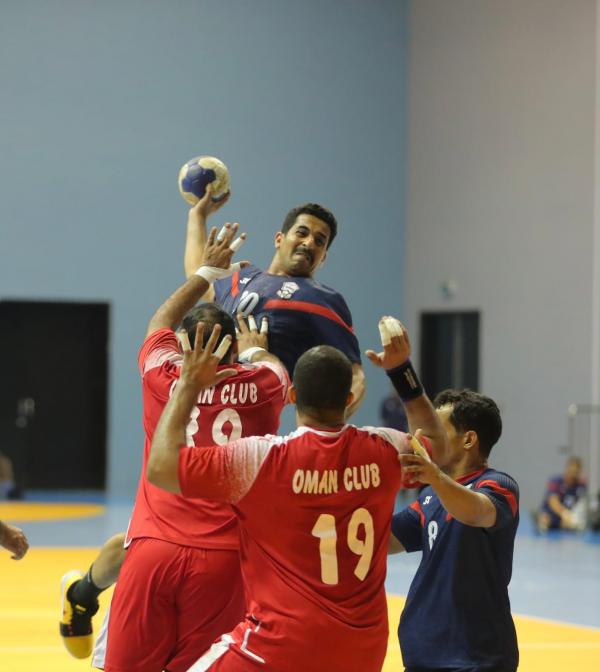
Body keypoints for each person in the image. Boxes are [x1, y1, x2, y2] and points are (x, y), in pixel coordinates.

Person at [146, 317, 447, 672]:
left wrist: (188, 385)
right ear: (349, 399)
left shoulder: (260, 460)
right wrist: (400, 370)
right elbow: (438, 447)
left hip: (277, 647)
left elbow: (161, 467)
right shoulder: (385, 450)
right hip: (362, 650)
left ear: (291, 397)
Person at [62, 224, 290, 672]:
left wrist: (206, 272)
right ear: (233, 350)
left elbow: (158, 323)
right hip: (225, 559)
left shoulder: (161, 377)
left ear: (183, 349)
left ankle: (83, 594)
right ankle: (82, 593)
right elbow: (275, 368)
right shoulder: (265, 388)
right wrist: (255, 351)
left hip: (155, 547)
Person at [184, 189, 365, 415]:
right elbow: (198, 276)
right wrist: (197, 215)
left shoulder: (323, 299)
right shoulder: (241, 277)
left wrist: (327, 427)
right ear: (279, 239)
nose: (309, 242)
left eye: (319, 241)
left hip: (257, 419)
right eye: (302, 233)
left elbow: (355, 376)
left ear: (323, 258)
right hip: (207, 408)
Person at [389, 389, 519, 672]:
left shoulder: (498, 485)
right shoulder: (430, 497)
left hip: (477, 659)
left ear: (469, 439)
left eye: (438, 429)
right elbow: (382, 538)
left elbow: (476, 512)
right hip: (423, 656)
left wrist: (435, 477)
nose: (428, 438)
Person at [536, 455, 587, 531]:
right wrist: (564, 513)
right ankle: (538, 519)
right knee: (544, 519)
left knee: (572, 525)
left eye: (575, 472)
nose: (572, 475)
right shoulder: (555, 481)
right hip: (550, 513)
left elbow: (581, 504)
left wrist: (574, 518)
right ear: (567, 469)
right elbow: (553, 501)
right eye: (571, 471)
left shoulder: (581, 486)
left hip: (564, 518)